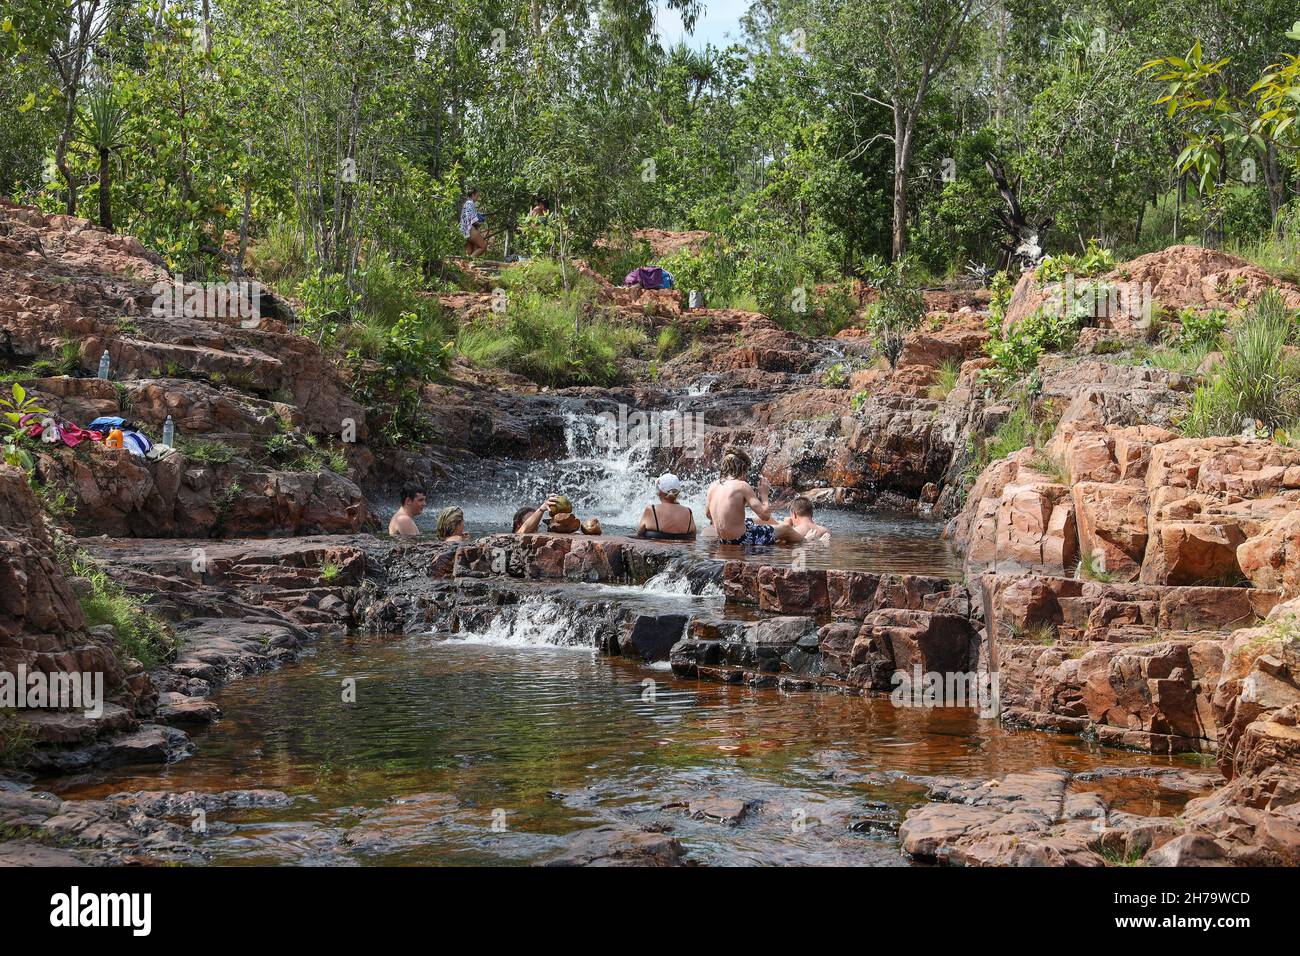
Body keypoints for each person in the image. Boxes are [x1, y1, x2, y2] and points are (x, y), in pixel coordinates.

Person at [704, 446, 803, 547]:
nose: (746, 475)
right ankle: (807, 540)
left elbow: (708, 515)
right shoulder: (742, 486)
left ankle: (779, 531)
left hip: (723, 540)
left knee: (757, 520)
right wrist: (764, 493)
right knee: (786, 528)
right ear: (742, 468)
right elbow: (765, 515)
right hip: (742, 539)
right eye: (747, 470)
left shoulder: (713, 486)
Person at [637, 473, 696, 541]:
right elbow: (693, 537)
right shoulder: (688, 512)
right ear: (678, 492)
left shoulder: (652, 510)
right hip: (681, 551)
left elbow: (639, 534)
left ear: (659, 492)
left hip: (656, 550)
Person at [460, 189, 488, 258]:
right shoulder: (470, 203)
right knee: (483, 247)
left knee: (469, 252)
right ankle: (470, 260)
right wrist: (478, 223)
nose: (478, 198)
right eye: (477, 196)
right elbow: (470, 218)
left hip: (464, 230)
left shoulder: (466, 203)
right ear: (473, 195)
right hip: (469, 229)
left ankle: (467, 266)